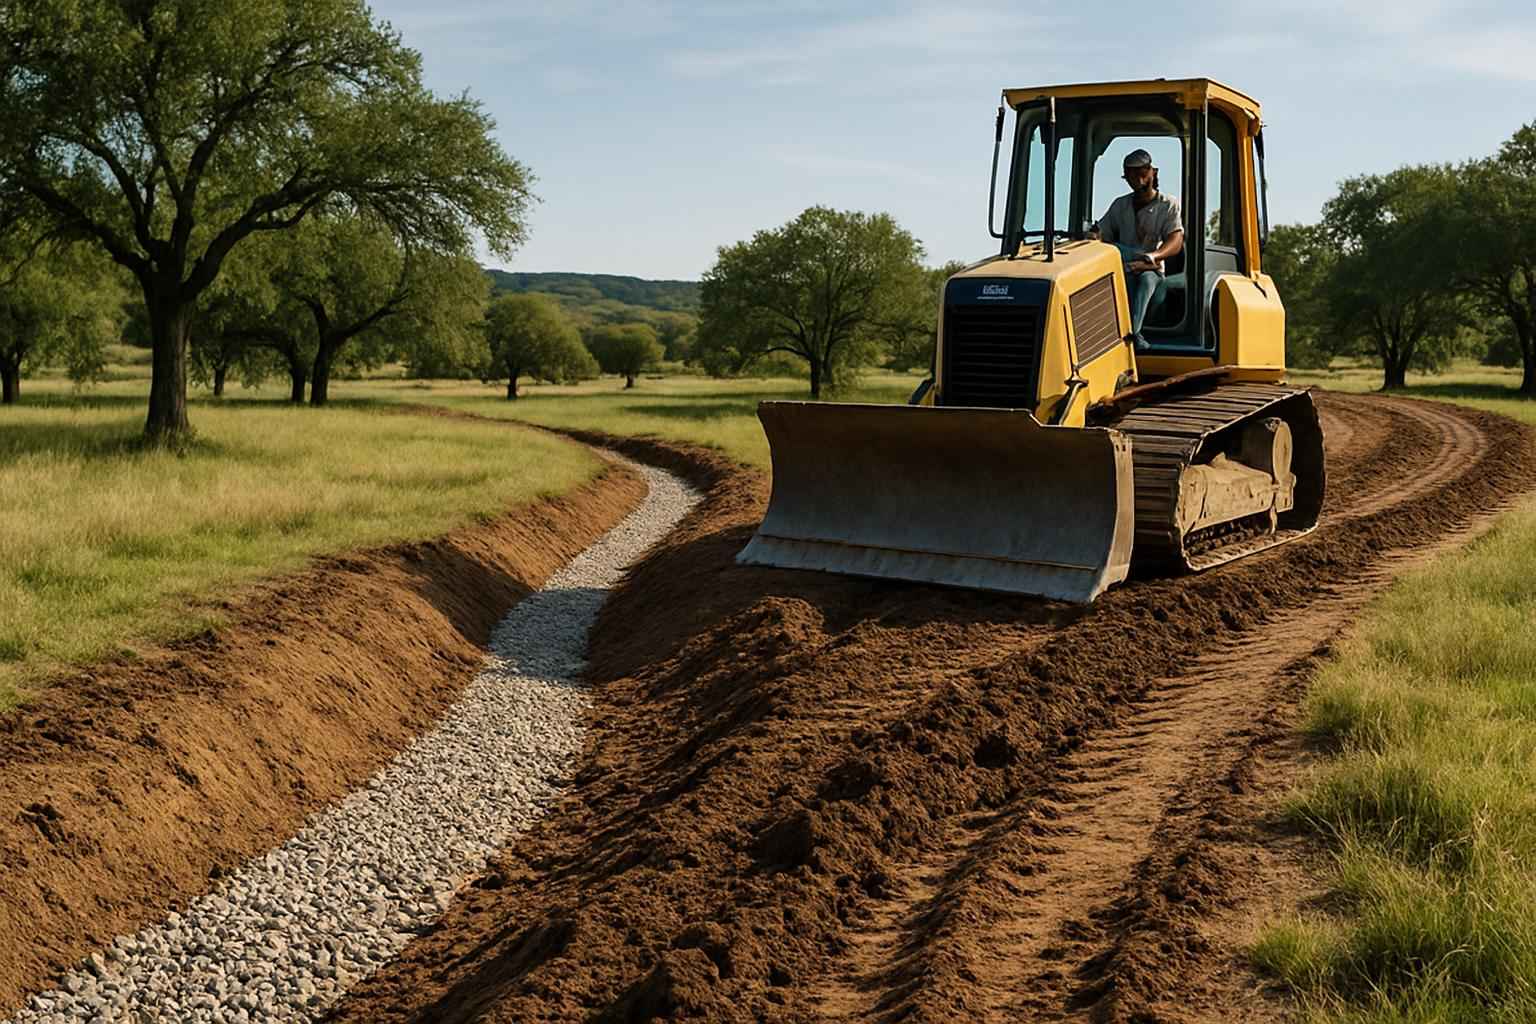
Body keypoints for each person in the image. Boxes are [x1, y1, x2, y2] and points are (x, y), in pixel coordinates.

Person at [1091, 149, 1184, 350]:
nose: (1137, 181)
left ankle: (1132, 333)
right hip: (1124, 268)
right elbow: (1102, 235)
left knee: (1144, 280)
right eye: (1131, 176)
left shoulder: (1168, 205)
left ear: (1153, 172)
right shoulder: (1120, 205)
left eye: (1142, 174)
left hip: (1152, 271)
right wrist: (1092, 236)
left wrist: (1151, 257)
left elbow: (1175, 240)